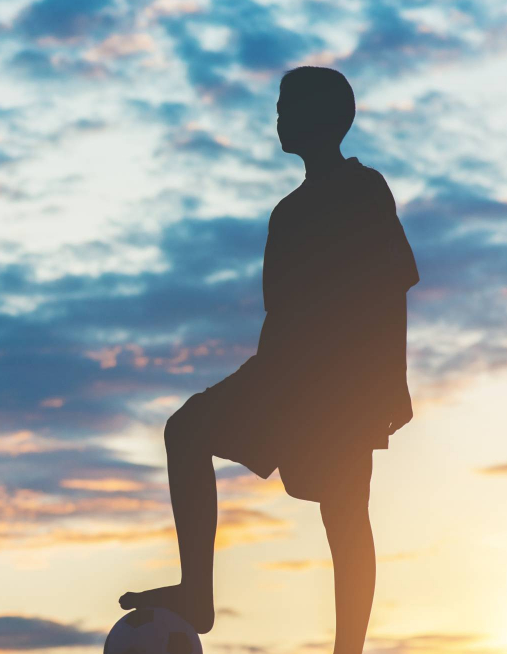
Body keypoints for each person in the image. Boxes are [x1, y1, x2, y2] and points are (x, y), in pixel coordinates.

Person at [117, 66, 420, 654]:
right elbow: (277, 312)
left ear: (324, 119)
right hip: (281, 375)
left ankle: (347, 649)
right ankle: (197, 594)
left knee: (344, 514)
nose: (277, 116)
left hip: (342, 386)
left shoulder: (363, 189)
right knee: (186, 430)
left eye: (288, 106)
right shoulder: (287, 210)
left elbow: (392, 288)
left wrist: (390, 389)